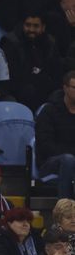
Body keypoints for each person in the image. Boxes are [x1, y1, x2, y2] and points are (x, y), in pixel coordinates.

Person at [1, 10, 60, 113]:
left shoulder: (50, 43)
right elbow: (9, 76)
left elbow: (56, 71)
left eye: (36, 26)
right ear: (22, 25)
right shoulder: (11, 42)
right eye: (28, 25)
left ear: (43, 27)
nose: (31, 29)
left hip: (43, 89)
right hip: (17, 90)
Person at [35, 71, 75, 199]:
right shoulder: (49, 111)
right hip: (49, 162)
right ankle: (64, 211)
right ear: (65, 88)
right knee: (68, 160)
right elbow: (45, 146)